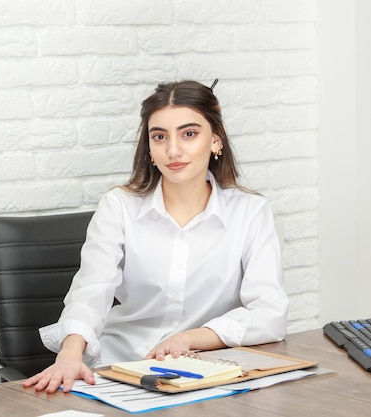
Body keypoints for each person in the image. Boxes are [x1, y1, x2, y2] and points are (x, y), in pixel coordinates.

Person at [23, 80, 288, 393]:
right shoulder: (118, 206)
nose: (173, 150)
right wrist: (69, 354)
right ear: (149, 147)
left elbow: (269, 314)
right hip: (119, 369)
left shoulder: (250, 212)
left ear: (216, 140)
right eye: (159, 136)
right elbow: (92, 290)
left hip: (203, 375)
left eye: (189, 134)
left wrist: (191, 337)